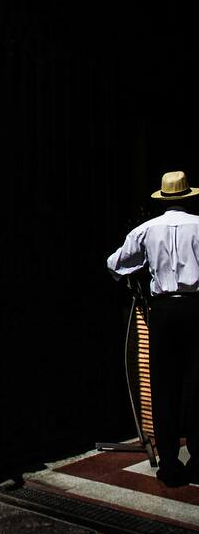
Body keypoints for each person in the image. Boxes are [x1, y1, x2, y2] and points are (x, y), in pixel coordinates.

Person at [107, 170, 199, 487]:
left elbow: (115, 264)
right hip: (195, 307)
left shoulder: (146, 230)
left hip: (163, 311)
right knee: (196, 384)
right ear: (188, 196)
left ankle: (170, 463)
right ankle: (197, 459)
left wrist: (144, 265)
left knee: (164, 385)